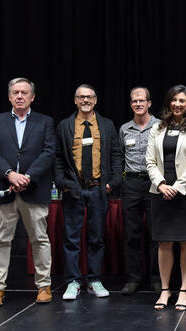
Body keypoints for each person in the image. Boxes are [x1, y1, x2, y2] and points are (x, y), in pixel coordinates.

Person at [0, 78, 55, 307]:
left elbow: (49, 151)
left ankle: (44, 285)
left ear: (32, 97)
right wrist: (9, 174)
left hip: (34, 190)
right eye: (15, 92)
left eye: (24, 92)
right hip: (3, 189)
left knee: (40, 239)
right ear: (9, 97)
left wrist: (27, 177)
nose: (20, 96)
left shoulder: (45, 122)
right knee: (1, 240)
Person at [54, 84, 122, 300]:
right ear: (75, 100)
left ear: (95, 100)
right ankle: (73, 281)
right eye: (81, 97)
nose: (85, 100)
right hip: (73, 190)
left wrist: (112, 183)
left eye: (89, 97)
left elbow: (115, 156)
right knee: (71, 239)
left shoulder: (107, 125)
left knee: (97, 238)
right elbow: (57, 158)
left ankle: (93, 279)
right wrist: (63, 183)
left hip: (98, 189)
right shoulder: (65, 125)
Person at [146, 85, 186, 311]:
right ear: (168, 103)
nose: (177, 104)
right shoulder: (157, 128)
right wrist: (161, 184)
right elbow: (150, 161)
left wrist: (177, 187)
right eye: (174, 100)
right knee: (164, 242)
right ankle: (165, 289)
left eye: (182, 100)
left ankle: (183, 289)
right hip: (160, 191)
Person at [118, 86, 161, 295]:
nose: (138, 104)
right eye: (134, 101)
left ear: (149, 103)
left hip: (154, 184)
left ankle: (156, 278)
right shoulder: (124, 129)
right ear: (131, 104)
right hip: (132, 184)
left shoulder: (160, 126)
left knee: (156, 234)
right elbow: (120, 155)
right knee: (131, 235)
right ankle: (133, 279)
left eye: (142, 100)